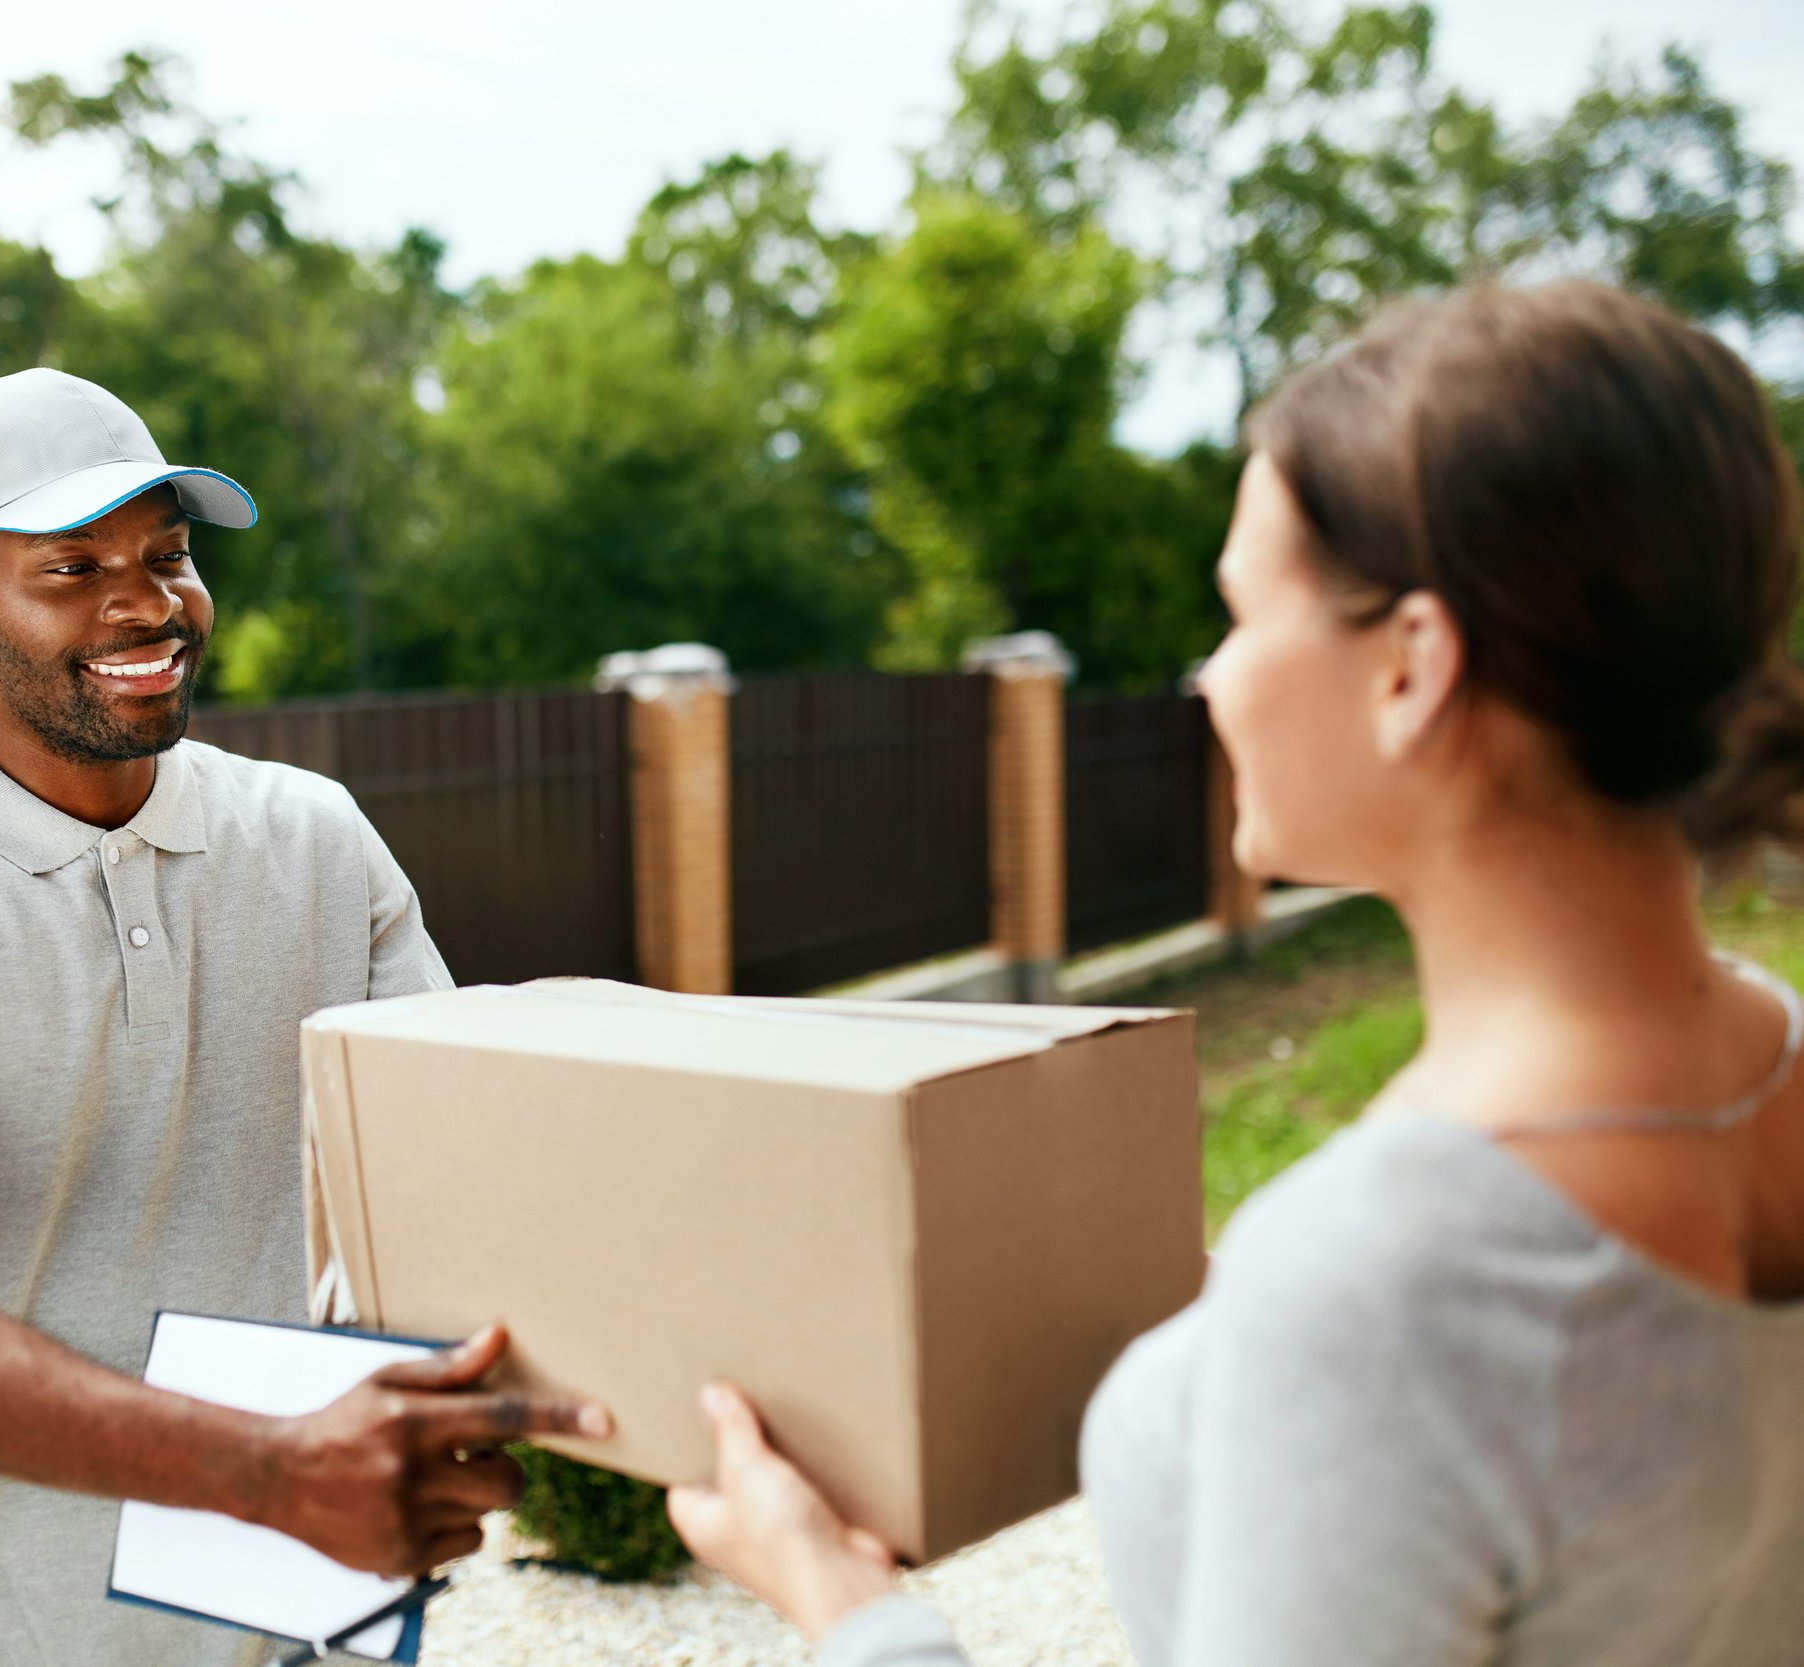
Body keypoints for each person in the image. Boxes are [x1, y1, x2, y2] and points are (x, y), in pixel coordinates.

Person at [667, 281, 1804, 1665]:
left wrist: (846, 1607)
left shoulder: (1372, 1293)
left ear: (1412, 667)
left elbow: (1424, 1330)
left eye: (1241, 614)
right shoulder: (1767, 1069)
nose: (1208, 681)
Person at [0, 368, 606, 1667]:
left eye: (168, 555)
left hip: (317, 1620)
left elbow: (454, 1182)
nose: (149, 602)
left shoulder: (312, 835)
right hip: (0, 1635)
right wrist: (264, 1467)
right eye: (72, 566)